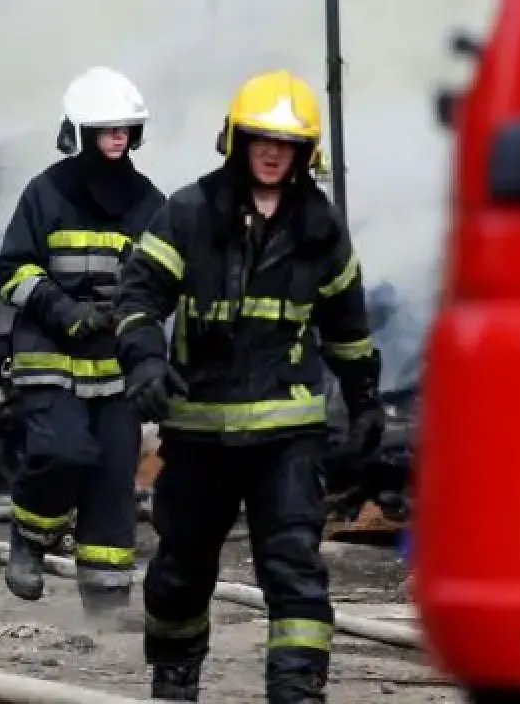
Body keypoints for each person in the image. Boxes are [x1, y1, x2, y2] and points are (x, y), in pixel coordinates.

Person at [113, 69, 386, 702]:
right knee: (179, 576)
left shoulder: (321, 229)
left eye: (285, 144)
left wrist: (366, 404)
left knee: (295, 572)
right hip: (199, 433)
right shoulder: (190, 211)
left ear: (304, 153)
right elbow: (139, 297)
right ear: (236, 140)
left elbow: (348, 330)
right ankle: (174, 682)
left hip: (287, 439)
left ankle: (296, 693)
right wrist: (146, 362)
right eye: (262, 139)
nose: (272, 153)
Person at [0, 66, 165, 617]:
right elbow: (10, 273)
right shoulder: (45, 193)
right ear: (81, 132)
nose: (117, 136)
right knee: (63, 452)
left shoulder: (149, 203)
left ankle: (106, 607)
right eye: (106, 128)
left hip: (115, 363)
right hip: (50, 354)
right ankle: (29, 536)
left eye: (124, 128)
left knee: (113, 481)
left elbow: (162, 283)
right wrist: (62, 309)